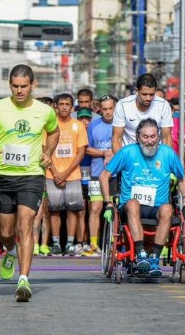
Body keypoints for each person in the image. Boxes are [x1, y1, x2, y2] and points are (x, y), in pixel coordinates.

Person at [0, 64, 59, 302]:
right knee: (7, 231)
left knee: (26, 224)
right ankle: (10, 251)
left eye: (24, 86)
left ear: (33, 85)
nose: (19, 91)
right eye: (15, 86)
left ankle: (24, 279)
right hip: (2, 176)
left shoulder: (45, 111)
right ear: (9, 85)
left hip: (31, 175)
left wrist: (49, 153)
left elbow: (53, 132)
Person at [100, 118, 185, 276]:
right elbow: (104, 176)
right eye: (145, 137)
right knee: (133, 203)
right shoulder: (127, 152)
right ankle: (141, 253)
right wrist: (108, 202)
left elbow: (182, 178)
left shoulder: (168, 154)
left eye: (153, 136)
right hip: (130, 207)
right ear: (138, 137)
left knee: (168, 208)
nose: (149, 141)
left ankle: (155, 258)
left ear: (158, 137)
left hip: (157, 207)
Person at [46, 93, 87, 256]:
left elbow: (81, 152)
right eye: (61, 104)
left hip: (73, 175)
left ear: (72, 107)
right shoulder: (49, 125)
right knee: (54, 210)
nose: (64, 107)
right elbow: (45, 151)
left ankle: (70, 244)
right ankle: (56, 243)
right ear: (56, 106)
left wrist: (65, 173)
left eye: (67, 104)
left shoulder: (78, 125)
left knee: (72, 210)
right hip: (51, 173)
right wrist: (56, 173)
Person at [85, 95, 117, 256]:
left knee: (116, 209)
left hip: (117, 174)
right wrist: (104, 152)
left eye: (111, 108)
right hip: (97, 173)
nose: (108, 112)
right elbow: (87, 149)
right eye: (104, 109)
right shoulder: (93, 125)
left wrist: (114, 154)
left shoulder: (122, 124)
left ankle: (115, 242)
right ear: (100, 110)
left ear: (115, 108)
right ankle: (93, 243)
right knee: (96, 208)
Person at [112, 73, 173, 154]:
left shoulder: (163, 105)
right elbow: (116, 138)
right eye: (144, 94)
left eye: (151, 95)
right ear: (136, 91)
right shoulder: (123, 105)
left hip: (155, 157)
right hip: (130, 157)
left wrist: (164, 160)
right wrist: (122, 161)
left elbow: (167, 138)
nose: (148, 98)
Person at [76, 107, 92, 255]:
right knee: (81, 212)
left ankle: (91, 242)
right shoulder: (76, 133)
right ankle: (80, 242)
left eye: (87, 118)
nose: (84, 121)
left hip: (93, 177)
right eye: (81, 119)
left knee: (94, 211)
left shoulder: (92, 133)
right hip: (78, 177)